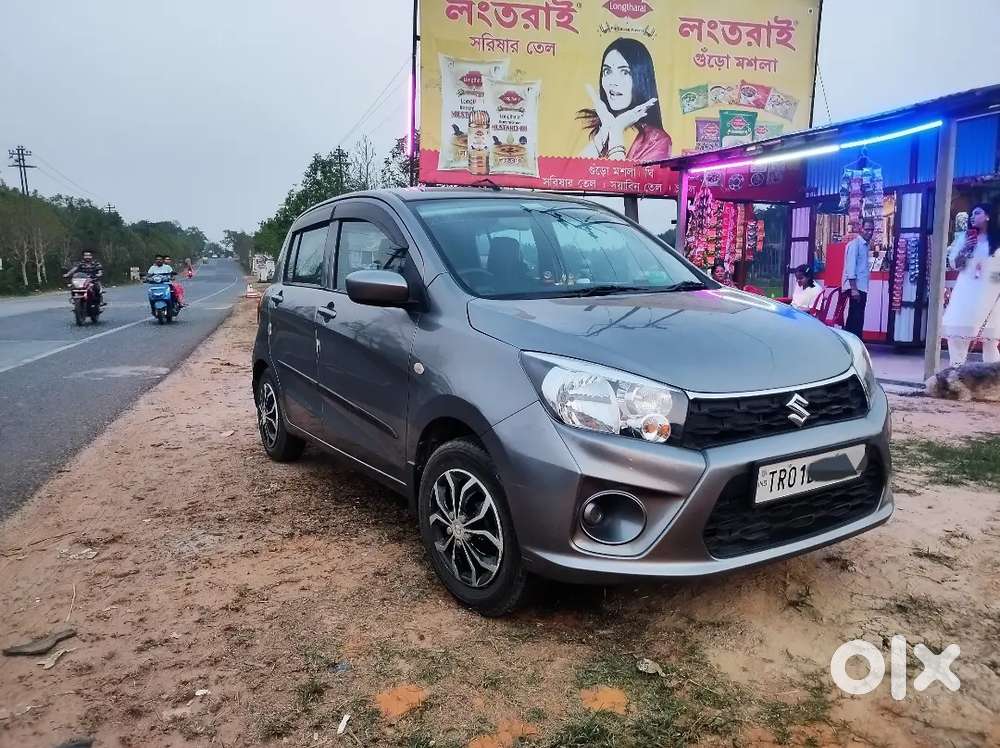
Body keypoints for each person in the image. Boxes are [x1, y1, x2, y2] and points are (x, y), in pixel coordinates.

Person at [577, 38, 671, 162]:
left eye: (625, 72)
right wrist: (606, 128)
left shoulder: (656, 141)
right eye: (607, 71)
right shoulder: (590, 125)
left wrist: (616, 130)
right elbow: (569, 177)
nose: (613, 82)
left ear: (641, 79)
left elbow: (621, 180)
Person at [941, 203, 1000, 366]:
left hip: (991, 294)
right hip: (966, 293)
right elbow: (954, 264)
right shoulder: (964, 238)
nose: (973, 217)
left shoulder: (996, 241)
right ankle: (956, 376)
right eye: (971, 214)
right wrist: (965, 248)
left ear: (988, 216)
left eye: (977, 213)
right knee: (958, 337)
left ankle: (992, 382)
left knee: (991, 342)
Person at [842, 218, 874, 337]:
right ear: (861, 229)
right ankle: (852, 342)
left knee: (858, 317)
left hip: (861, 287)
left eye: (872, 230)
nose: (869, 232)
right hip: (856, 287)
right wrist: (854, 289)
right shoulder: (855, 245)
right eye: (867, 229)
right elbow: (851, 269)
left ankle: (855, 342)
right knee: (855, 317)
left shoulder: (865, 246)